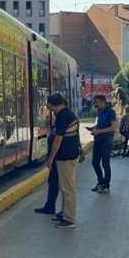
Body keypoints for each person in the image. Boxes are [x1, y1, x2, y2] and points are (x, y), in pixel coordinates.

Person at [45, 93, 81, 229]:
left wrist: (50, 158)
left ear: (52, 104)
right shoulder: (67, 114)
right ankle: (65, 212)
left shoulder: (63, 117)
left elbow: (58, 139)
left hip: (66, 157)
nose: (47, 107)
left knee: (68, 188)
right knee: (65, 187)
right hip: (68, 156)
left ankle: (69, 218)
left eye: (48, 105)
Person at [89, 94, 117, 194]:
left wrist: (99, 131)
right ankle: (100, 182)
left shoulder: (111, 112)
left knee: (105, 164)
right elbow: (100, 124)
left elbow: (113, 127)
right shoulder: (99, 111)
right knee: (95, 162)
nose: (96, 105)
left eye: (97, 102)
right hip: (98, 140)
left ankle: (106, 186)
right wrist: (94, 128)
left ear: (102, 101)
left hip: (106, 141)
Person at [35, 111, 59, 214]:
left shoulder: (63, 120)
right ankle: (50, 206)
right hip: (57, 160)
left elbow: (58, 140)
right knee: (53, 182)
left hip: (59, 159)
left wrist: (51, 158)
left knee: (62, 186)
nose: (52, 116)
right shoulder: (58, 122)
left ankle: (67, 214)